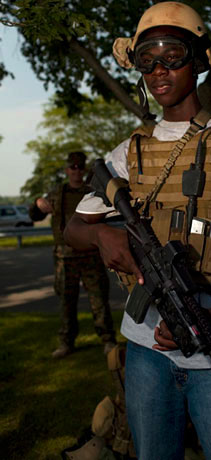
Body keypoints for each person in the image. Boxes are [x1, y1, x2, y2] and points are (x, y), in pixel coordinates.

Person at [64, 2, 211, 460]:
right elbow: (75, 227)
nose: (158, 69)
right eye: (146, 58)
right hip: (145, 349)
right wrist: (101, 236)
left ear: (199, 61)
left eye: (172, 54)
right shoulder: (128, 153)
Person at [29, 151, 116, 359]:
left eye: (80, 167)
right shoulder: (57, 193)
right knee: (66, 303)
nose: (76, 171)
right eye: (72, 167)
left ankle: (108, 340)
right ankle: (66, 342)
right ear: (67, 170)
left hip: (91, 255)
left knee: (99, 301)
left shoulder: (93, 193)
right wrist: (38, 203)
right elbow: (35, 214)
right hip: (65, 258)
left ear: (84, 169)